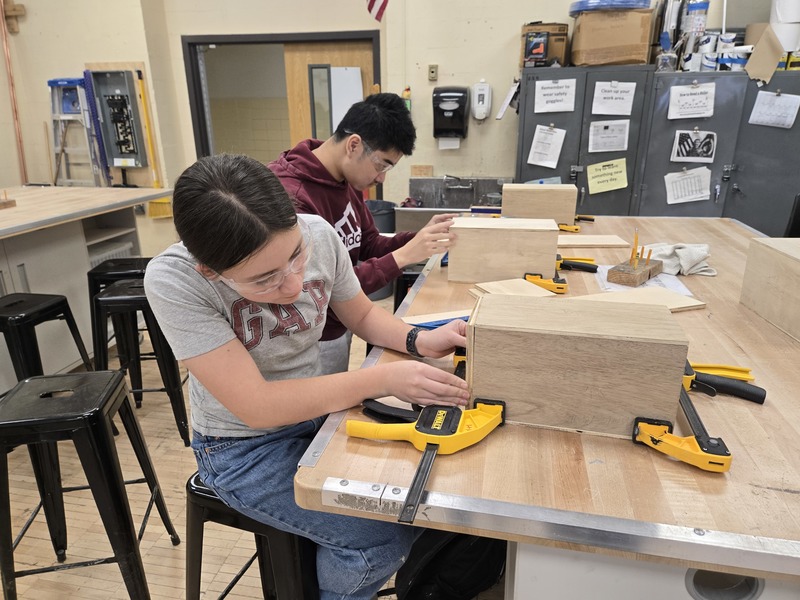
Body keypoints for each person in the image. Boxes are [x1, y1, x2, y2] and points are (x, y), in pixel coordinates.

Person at [143, 153, 469, 600]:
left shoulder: (317, 231)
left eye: (296, 256)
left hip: (318, 417)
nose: (294, 284)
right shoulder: (176, 279)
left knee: (429, 500)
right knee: (379, 541)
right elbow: (256, 406)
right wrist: (383, 381)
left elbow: (364, 317)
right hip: (241, 449)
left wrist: (418, 340)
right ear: (209, 269)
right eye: (264, 280)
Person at [269, 92, 458, 374]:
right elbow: (327, 288)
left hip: (341, 323)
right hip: (308, 338)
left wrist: (421, 238)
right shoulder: (292, 196)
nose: (381, 177)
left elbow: (368, 242)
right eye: (382, 164)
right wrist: (404, 256)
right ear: (354, 145)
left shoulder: (344, 180)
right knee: (318, 414)